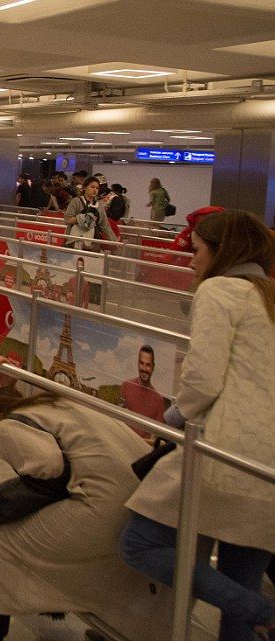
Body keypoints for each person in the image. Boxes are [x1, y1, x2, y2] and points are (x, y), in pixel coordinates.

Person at [121, 210, 275, 641]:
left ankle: (265, 612)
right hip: (267, 464)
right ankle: (257, 612)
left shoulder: (219, 290)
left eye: (198, 250)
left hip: (222, 452)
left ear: (222, 252)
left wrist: (171, 417)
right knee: (242, 578)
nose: (191, 261)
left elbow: (203, 380)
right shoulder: (269, 295)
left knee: (140, 543)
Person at [0, 386, 171, 641]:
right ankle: (114, 630)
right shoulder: (56, 403)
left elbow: (49, 466)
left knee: (0, 544)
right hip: (142, 506)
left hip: (105, 508)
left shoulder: (8, 425)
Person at [119, 345, 165, 439]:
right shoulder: (126, 386)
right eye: (141, 363)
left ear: (153, 367)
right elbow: (119, 420)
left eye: (148, 365)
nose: (144, 368)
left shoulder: (159, 401)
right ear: (137, 363)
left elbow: (156, 439)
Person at [62, 176, 117, 250]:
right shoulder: (76, 201)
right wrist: (83, 218)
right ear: (85, 187)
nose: (95, 190)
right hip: (75, 240)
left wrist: (114, 241)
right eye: (92, 187)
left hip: (93, 241)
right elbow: (67, 219)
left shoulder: (99, 205)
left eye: (97, 188)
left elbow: (104, 225)